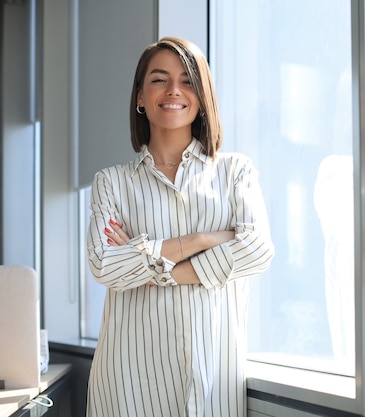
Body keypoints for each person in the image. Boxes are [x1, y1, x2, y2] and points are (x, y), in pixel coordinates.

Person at [85, 36, 274, 417]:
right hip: (128, 386)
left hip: (212, 386)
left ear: (202, 97)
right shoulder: (112, 183)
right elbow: (105, 265)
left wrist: (152, 263)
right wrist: (201, 239)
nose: (174, 90)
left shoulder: (236, 172)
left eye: (188, 80)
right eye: (159, 79)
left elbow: (257, 250)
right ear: (140, 96)